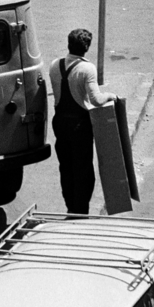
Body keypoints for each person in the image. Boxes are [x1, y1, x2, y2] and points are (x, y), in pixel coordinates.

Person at [51, 28, 114, 216]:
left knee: (66, 167)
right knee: (83, 170)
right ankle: (80, 211)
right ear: (86, 47)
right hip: (80, 126)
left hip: (60, 123)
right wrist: (111, 96)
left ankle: (70, 206)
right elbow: (96, 100)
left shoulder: (55, 65)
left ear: (69, 44)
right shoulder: (87, 68)